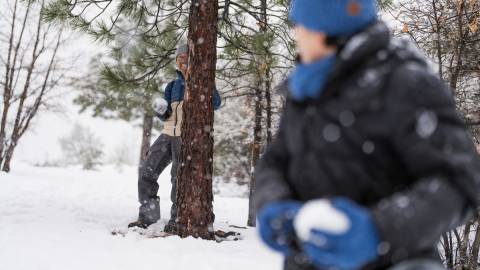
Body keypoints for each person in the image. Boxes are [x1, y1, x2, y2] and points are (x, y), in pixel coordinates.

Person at [254, 1, 480, 270]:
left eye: (302, 26)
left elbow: (460, 182)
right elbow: (276, 161)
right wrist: (274, 205)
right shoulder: (307, 89)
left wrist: (377, 232)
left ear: (328, 32)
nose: (297, 34)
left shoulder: (405, 83)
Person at [128, 44, 222, 232]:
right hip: (167, 133)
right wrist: (161, 110)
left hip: (185, 136)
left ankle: (177, 219)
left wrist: (201, 82)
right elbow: (167, 114)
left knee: (178, 177)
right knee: (147, 170)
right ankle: (148, 217)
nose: (182, 61)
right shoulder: (173, 85)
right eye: (179, 58)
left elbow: (216, 103)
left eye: (186, 57)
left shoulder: (202, 81)